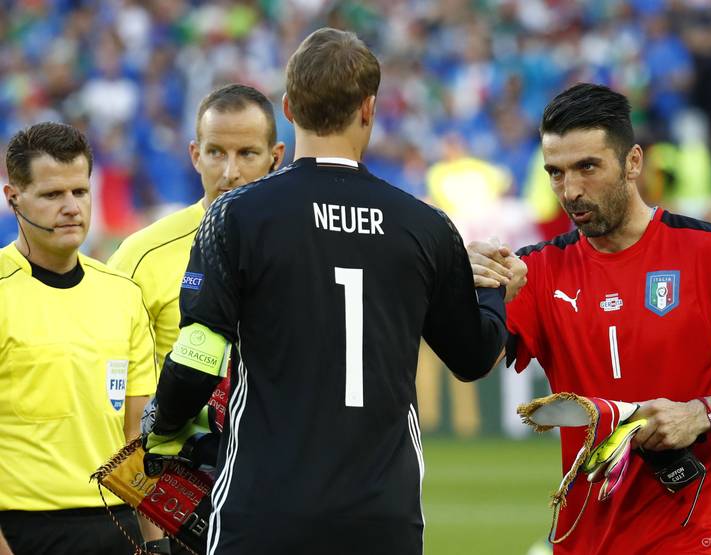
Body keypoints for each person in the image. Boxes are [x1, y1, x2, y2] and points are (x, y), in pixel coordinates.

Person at [143, 27, 508, 554]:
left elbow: (199, 353)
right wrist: (494, 287)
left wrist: (163, 425)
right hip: (383, 514)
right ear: (369, 108)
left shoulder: (236, 214)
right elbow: (475, 357)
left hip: (264, 507)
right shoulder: (425, 225)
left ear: (288, 107)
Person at [469, 84, 711, 554]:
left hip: (695, 537)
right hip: (585, 541)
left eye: (587, 167)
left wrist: (702, 413)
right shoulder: (535, 272)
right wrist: (472, 287)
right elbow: (471, 360)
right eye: (556, 172)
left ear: (633, 162)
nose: (569, 190)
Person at [0, 122, 157, 554]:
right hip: (23, 530)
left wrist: (155, 542)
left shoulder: (123, 294)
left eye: (80, 192)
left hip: (115, 528)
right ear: (14, 199)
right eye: (52, 195)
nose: (71, 207)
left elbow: (136, 440)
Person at [108, 83, 286, 364]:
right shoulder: (140, 256)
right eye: (216, 152)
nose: (230, 172)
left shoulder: (302, 249)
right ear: (195, 156)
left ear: (276, 158)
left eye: (247, 154)